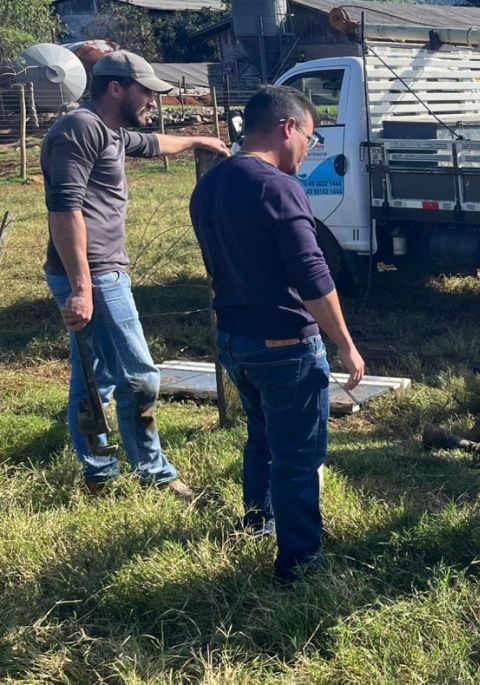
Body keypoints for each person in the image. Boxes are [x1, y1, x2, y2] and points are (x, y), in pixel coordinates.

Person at [189, 85, 366, 584]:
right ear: (287, 127)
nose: (309, 150)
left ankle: (258, 522)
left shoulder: (211, 184)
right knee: (298, 457)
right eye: (310, 138)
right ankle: (299, 564)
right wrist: (345, 344)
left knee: (262, 436)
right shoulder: (279, 187)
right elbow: (312, 275)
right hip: (285, 343)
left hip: (235, 341)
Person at [42, 50, 228, 499]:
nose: (152, 101)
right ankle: (153, 472)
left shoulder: (110, 131)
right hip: (95, 275)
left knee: (97, 375)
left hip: (104, 272)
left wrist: (199, 141)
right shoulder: (80, 129)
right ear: (116, 88)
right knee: (141, 376)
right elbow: (64, 211)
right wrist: (83, 289)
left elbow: (154, 143)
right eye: (147, 92)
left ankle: (99, 470)